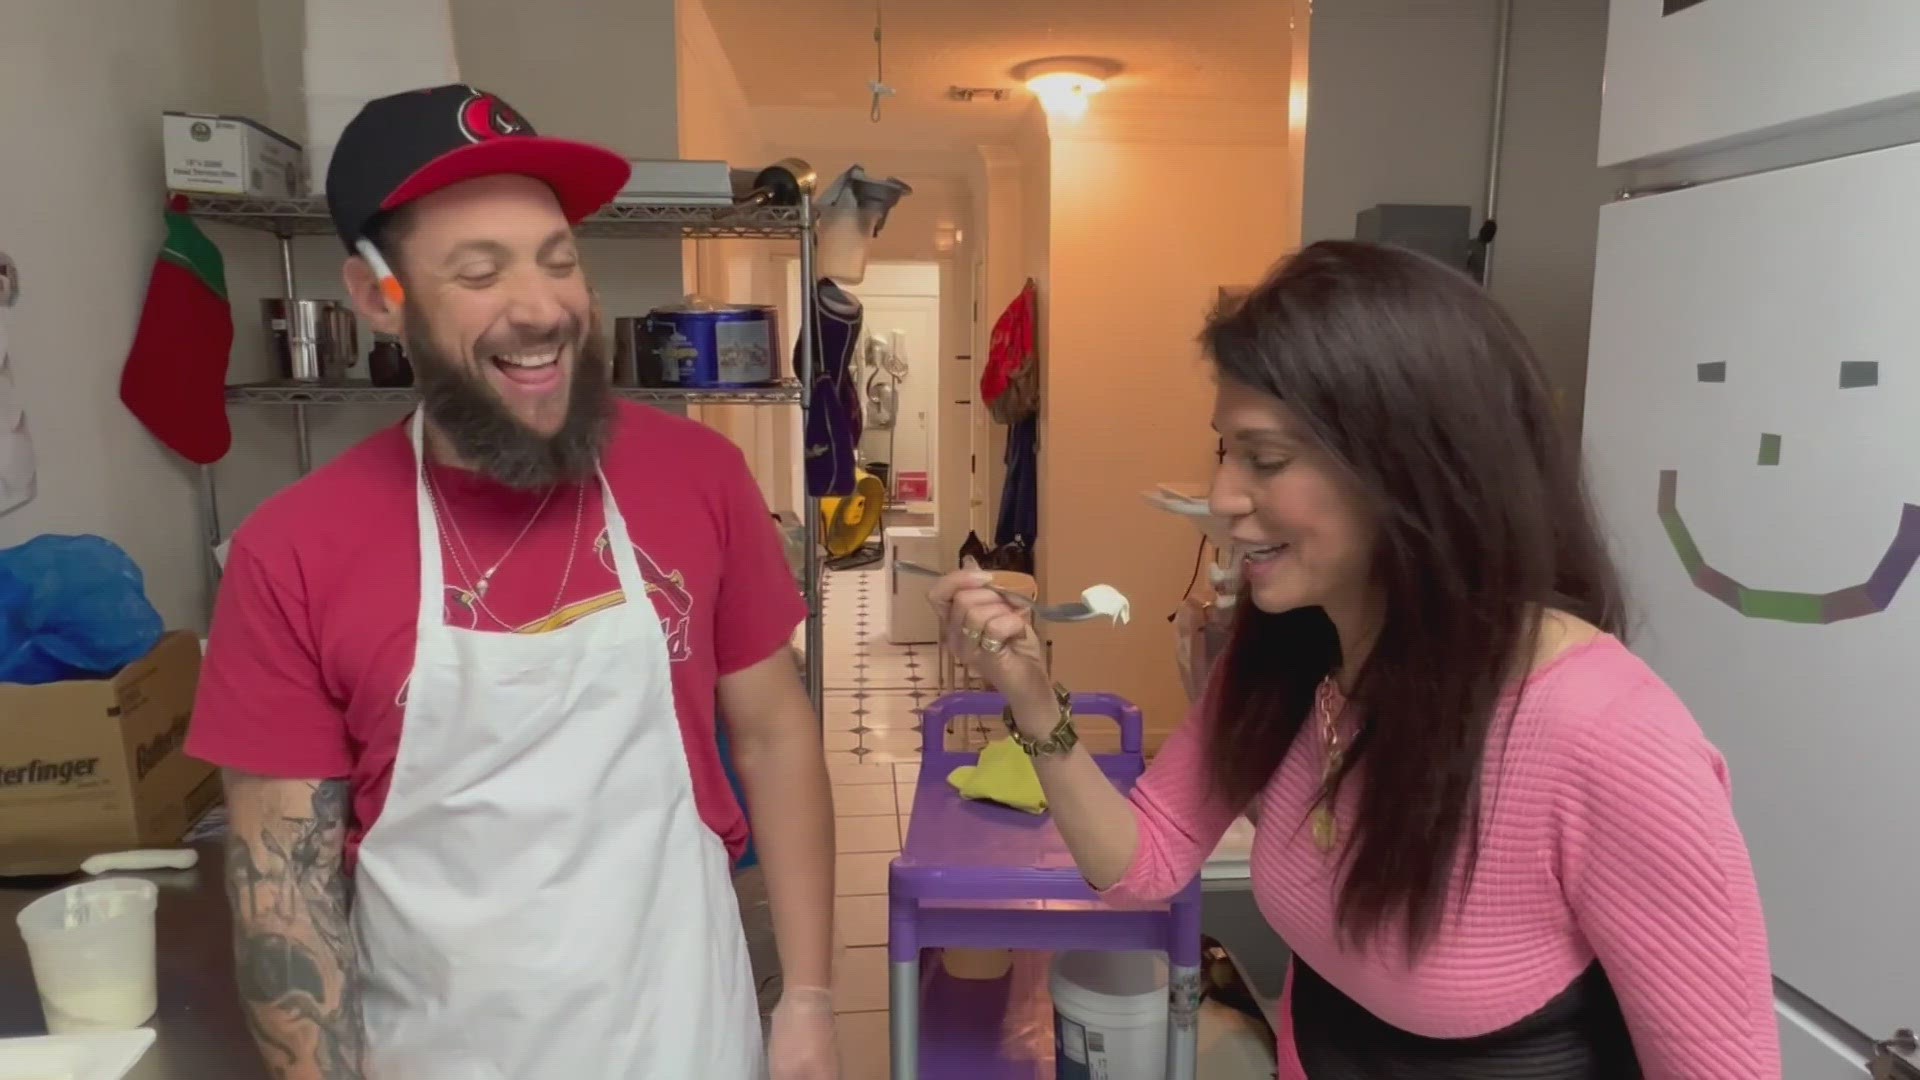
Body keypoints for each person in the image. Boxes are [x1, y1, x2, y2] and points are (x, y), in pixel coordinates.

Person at [931, 241, 1780, 1079]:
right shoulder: (1294, 653)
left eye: (1264, 459)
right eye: (1224, 450)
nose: (1222, 500)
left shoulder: (1613, 741)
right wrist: (1032, 697)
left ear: (1409, 468)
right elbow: (1142, 864)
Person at [186, 85, 837, 1080]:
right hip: (442, 1053)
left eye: (558, 258)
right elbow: (286, 901)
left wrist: (810, 1000)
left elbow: (775, 731)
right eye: (480, 272)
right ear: (377, 297)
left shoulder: (696, 476)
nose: (541, 309)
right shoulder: (294, 553)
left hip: (689, 1033)